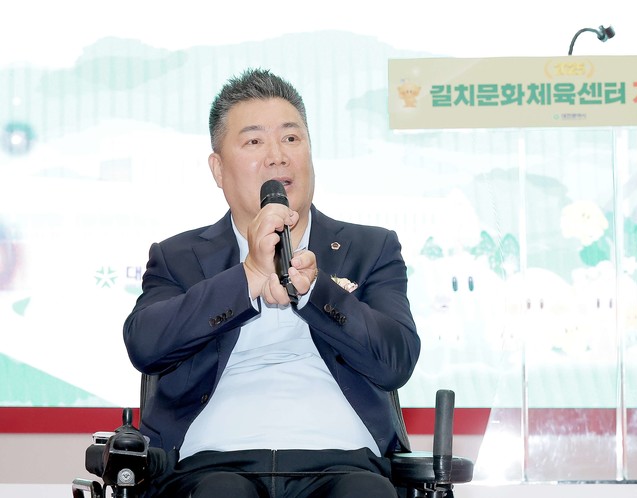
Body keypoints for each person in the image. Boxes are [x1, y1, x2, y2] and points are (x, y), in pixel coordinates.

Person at [123, 67, 420, 498]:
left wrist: (316, 291)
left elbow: (396, 361)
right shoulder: (179, 257)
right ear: (218, 169)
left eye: (291, 138)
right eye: (254, 141)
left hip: (345, 460)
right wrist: (248, 276)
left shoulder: (370, 247)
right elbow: (145, 345)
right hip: (212, 464)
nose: (277, 156)